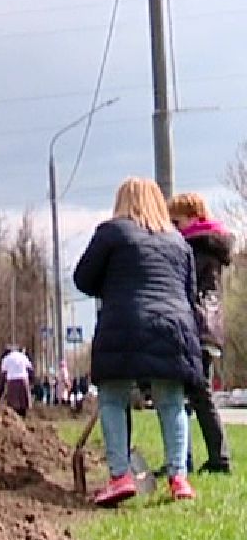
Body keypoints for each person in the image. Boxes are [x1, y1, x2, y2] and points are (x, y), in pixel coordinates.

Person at [73, 178, 205, 505]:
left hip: (124, 324)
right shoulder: (178, 242)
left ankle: (120, 477)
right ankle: (179, 478)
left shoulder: (111, 233)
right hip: (174, 328)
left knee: (113, 398)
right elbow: (188, 293)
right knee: (172, 402)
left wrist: (111, 281)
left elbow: (83, 278)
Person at [169, 191, 233, 474]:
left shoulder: (196, 248)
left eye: (177, 221)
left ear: (194, 217)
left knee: (196, 396)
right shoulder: (209, 246)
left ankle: (213, 459)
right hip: (209, 327)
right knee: (195, 395)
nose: (173, 227)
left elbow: (190, 289)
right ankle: (191, 458)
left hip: (198, 325)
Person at [0, 345, 34, 417]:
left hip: (12, 381)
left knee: (13, 404)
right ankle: (23, 418)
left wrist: (0, 390)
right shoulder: (23, 356)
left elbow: (3, 375)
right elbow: (30, 369)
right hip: (23, 379)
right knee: (23, 403)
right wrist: (31, 382)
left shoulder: (6, 359)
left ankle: (16, 420)